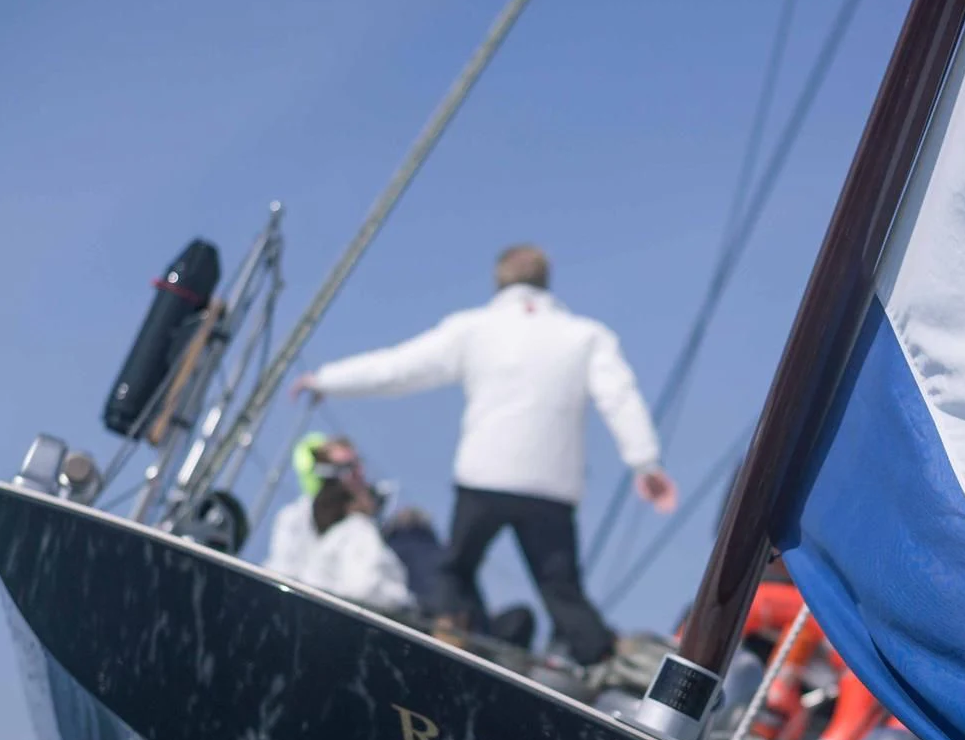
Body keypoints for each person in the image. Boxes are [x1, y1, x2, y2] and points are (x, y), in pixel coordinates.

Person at [289, 243, 675, 667]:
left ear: (499, 280)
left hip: (485, 479)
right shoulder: (587, 336)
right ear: (546, 281)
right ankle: (600, 658)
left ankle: (450, 632)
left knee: (455, 567)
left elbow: (399, 367)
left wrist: (325, 380)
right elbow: (619, 396)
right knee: (560, 587)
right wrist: (645, 462)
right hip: (552, 487)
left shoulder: (474, 328)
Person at [263, 434, 419, 617]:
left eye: (358, 466)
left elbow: (370, 589)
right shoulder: (297, 520)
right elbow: (282, 571)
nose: (360, 476)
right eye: (348, 468)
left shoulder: (360, 529)